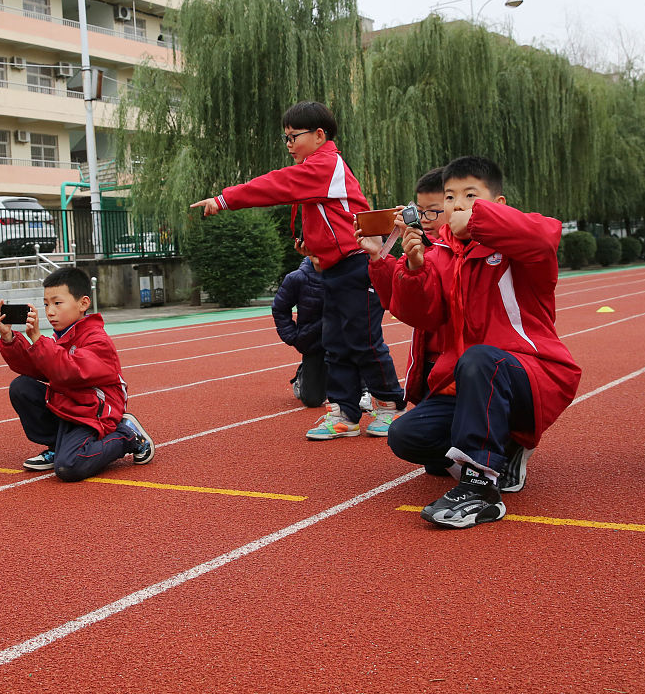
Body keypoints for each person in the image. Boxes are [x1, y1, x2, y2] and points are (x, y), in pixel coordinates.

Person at [381, 156, 582, 529]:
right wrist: (412, 269)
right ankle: (501, 451)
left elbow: (545, 234)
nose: (457, 205)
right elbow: (422, 318)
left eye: (470, 196)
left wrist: (477, 221)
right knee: (405, 436)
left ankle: (481, 488)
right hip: (470, 381)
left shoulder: (521, 249)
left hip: (531, 374)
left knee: (479, 360)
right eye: (451, 197)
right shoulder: (440, 254)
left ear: (498, 205)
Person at [191, 100, 405, 439]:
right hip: (332, 269)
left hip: (358, 264)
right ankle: (345, 413)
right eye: (285, 137)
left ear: (320, 135)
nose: (289, 144)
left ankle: (389, 405)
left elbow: (277, 185)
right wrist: (313, 248)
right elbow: (322, 216)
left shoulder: (327, 164)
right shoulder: (317, 168)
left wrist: (224, 199)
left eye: (294, 136)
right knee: (334, 341)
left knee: (363, 340)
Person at [0, 266, 154, 481]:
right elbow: (36, 369)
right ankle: (56, 445)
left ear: (83, 303)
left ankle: (128, 436)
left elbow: (70, 372)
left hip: (93, 413)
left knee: (70, 466)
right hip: (70, 406)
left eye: (57, 303)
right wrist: (10, 339)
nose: (50, 311)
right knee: (22, 387)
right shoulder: (61, 336)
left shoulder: (97, 339)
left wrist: (38, 340)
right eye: (46, 304)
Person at [271, 255, 372, 411]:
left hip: (344, 339)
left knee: (359, 352)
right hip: (314, 341)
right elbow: (280, 308)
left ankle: (364, 390)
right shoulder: (296, 278)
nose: (320, 254)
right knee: (312, 400)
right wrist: (292, 336)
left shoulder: (348, 274)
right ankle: (303, 374)